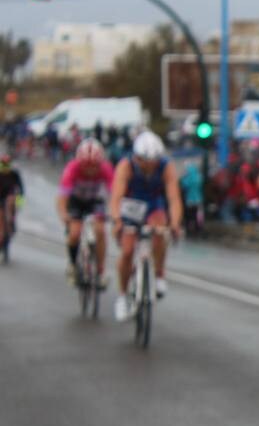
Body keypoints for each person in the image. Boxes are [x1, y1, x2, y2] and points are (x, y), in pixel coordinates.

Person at [108, 132, 183, 322]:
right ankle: (123, 296)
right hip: (131, 205)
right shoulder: (126, 165)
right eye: (144, 162)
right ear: (136, 157)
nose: (149, 166)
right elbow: (116, 197)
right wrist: (117, 220)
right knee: (127, 250)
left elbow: (174, 198)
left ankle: (159, 274)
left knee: (160, 230)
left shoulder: (166, 167)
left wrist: (174, 223)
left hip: (153, 205)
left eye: (153, 162)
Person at [56, 140, 115, 287]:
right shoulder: (72, 168)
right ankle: (73, 264)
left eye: (94, 166)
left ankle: (101, 271)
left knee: (100, 231)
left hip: (95, 201)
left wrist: (115, 214)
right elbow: (62, 197)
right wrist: (64, 214)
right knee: (75, 233)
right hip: (76, 201)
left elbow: (115, 194)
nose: (90, 170)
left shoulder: (106, 169)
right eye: (86, 165)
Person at [0, 153, 24, 256]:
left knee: (11, 202)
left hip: (10, 198)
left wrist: (19, 204)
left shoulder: (14, 174)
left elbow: (21, 190)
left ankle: (11, 226)